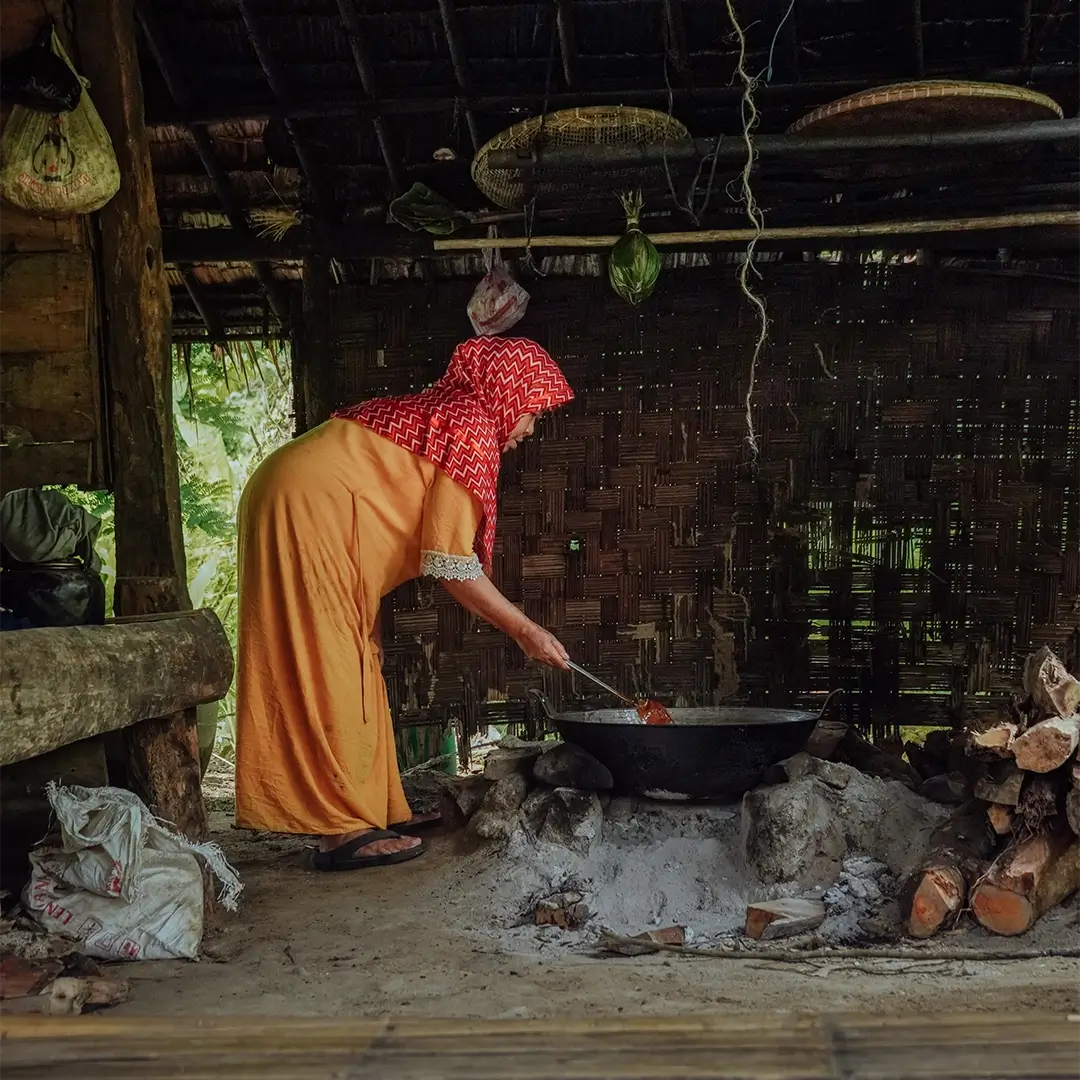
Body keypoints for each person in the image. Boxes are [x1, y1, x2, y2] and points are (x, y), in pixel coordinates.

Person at [233, 336, 574, 872]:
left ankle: (368, 810)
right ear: (507, 394)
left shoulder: (449, 415)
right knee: (332, 664)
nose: (530, 428)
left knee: (357, 659)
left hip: (299, 495)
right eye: (532, 411)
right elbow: (451, 564)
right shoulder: (470, 427)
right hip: (307, 507)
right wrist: (525, 631)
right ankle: (340, 832)